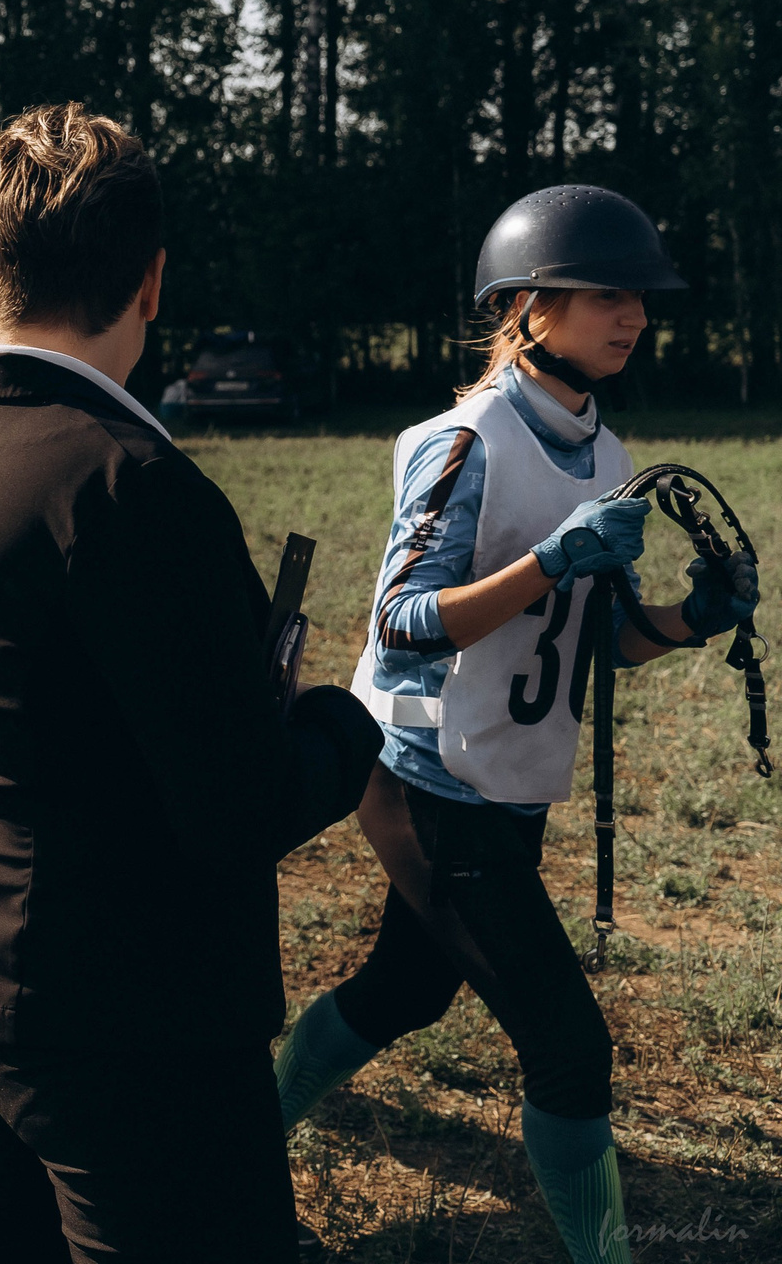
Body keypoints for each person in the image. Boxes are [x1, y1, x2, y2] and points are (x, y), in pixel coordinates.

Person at [0, 103, 382, 1263]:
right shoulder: (132, 490)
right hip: (127, 1026)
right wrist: (349, 722)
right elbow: (240, 808)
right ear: (151, 285)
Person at [271, 186, 757, 1264]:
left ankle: (246, 1129)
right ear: (527, 304)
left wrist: (690, 617)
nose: (630, 313)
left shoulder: (607, 451)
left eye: (637, 295)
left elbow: (600, 640)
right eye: (601, 293)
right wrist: (549, 560)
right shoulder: (461, 441)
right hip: (422, 777)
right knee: (570, 1048)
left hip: (502, 780)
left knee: (402, 989)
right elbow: (397, 624)